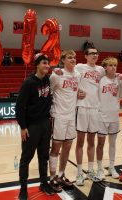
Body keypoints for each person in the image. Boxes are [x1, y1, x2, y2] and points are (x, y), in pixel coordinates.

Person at [15, 53, 54, 199]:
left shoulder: (48, 80)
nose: (47, 66)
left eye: (48, 63)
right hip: (31, 127)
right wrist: (23, 127)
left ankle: (44, 183)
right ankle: (23, 189)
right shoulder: (29, 83)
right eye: (44, 63)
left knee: (44, 157)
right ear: (37, 64)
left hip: (45, 124)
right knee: (26, 158)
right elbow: (19, 107)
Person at [48, 50, 82, 192]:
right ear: (63, 60)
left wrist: (80, 94)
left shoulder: (78, 75)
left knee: (67, 146)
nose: (73, 59)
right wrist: (54, 71)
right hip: (58, 115)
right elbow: (48, 91)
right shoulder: (56, 75)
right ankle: (52, 178)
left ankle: (61, 175)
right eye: (70, 57)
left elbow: (76, 92)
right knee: (56, 148)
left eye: (74, 57)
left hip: (71, 116)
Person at [74, 47, 105, 186]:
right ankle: (79, 172)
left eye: (96, 53)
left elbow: (111, 77)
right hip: (82, 107)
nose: (94, 55)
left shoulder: (101, 70)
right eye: (91, 53)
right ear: (85, 56)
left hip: (95, 108)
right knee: (80, 141)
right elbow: (67, 76)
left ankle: (91, 170)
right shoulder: (79, 67)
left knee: (92, 141)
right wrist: (75, 93)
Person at [96, 57, 121, 181]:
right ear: (105, 67)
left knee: (113, 143)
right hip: (102, 116)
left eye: (115, 65)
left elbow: (121, 95)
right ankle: (100, 168)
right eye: (111, 65)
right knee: (100, 143)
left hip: (114, 116)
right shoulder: (101, 80)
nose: (113, 68)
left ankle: (111, 166)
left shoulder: (119, 80)